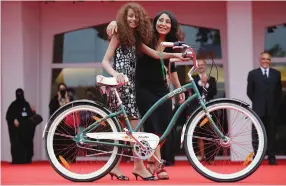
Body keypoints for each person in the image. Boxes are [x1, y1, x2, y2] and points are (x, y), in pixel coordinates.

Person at [102, 3, 187, 181]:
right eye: (129, 16)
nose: (132, 19)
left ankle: (118, 167)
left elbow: (156, 55)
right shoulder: (119, 34)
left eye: (136, 17)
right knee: (132, 128)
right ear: (123, 18)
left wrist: (176, 56)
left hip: (132, 86)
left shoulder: (137, 38)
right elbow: (105, 61)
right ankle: (138, 167)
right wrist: (115, 73)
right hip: (121, 85)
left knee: (128, 130)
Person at [247, 51, 282, 165]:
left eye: (268, 59)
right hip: (258, 110)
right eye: (263, 59)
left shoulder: (276, 74)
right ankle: (257, 158)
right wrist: (258, 103)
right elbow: (250, 92)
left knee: (271, 135)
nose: (265, 61)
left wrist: (274, 105)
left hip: (272, 111)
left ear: (270, 61)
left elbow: (278, 92)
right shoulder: (252, 74)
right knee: (256, 135)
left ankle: (271, 157)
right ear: (260, 60)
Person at [188, 59, 217, 164]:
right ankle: (201, 156)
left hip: (210, 110)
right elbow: (191, 94)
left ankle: (211, 158)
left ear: (205, 66)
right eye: (198, 65)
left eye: (202, 65)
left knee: (211, 135)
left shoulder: (212, 79)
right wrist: (201, 83)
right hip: (197, 110)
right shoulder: (193, 79)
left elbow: (214, 92)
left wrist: (206, 84)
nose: (200, 66)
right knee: (199, 134)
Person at [6, 88, 36, 164]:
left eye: (20, 93)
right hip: (17, 131)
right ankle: (17, 160)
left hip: (25, 129)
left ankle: (27, 159)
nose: (19, 95)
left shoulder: (26, 104)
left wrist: (33, 111)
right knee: (16, 143)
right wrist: (13, 119)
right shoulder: (13, 105)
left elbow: (30, 116)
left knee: (27, 142)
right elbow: (8, 115)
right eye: (18, 94)